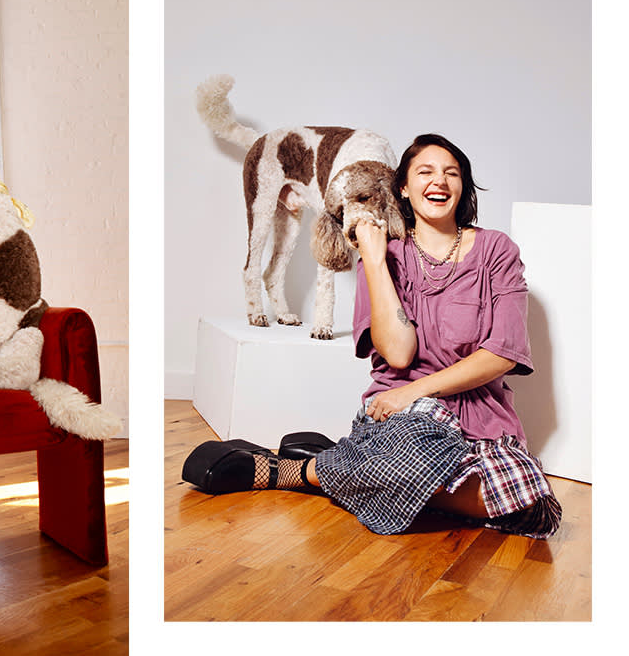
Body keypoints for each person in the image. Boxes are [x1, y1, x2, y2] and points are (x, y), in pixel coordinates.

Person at [182, 133, 561, 539]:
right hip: (411, 422)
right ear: (402, 186)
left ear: (464, 186)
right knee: (419, 456)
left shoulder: (497, 251)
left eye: (452, 173)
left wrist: (412, 391)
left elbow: (501, 354)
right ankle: (295, 471)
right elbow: (399, 354)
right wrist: (376, 260)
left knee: (530, 503)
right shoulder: (385, 253)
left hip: (477, 416)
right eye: (425, 172)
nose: (440, 181)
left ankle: (322, 469)